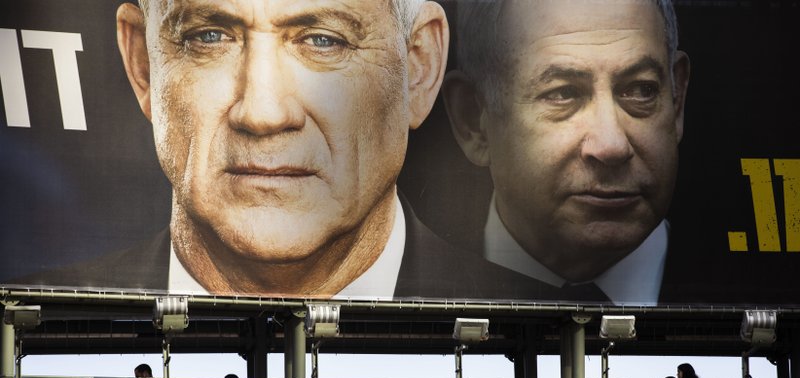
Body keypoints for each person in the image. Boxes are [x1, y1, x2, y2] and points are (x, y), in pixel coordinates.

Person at [16, 0, 560, 303]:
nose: (263, 111)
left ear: (418, 67)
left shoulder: (555, 328)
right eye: (210, 36)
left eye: (323, 40)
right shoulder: (23, 323)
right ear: (142, 63)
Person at [442, 0, 690, 305]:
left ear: (677, 100)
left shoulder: (756, 286)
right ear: (473, 121)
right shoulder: (409, 280)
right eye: (563, 93)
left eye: (641, 90)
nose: (611, 145)